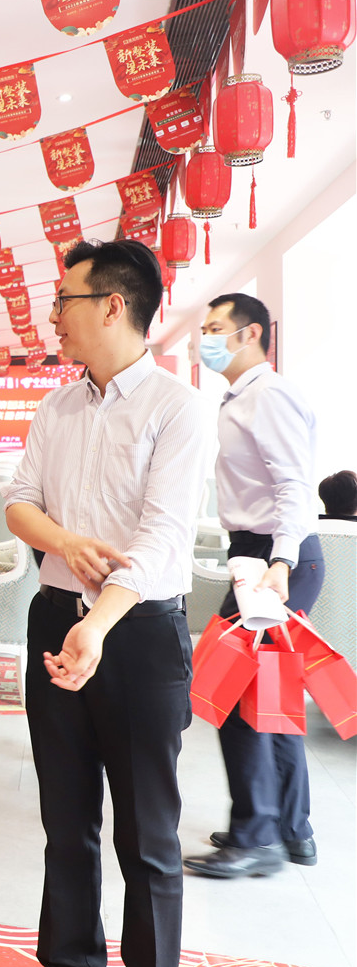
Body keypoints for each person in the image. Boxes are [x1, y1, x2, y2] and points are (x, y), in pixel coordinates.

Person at [2, 238, 213, 967]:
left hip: (138, 635)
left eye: (64, 301)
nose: (53, 316)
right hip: (55, 619)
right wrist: (64, 543)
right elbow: (19, 502)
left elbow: (163, 539)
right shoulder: (57, 406)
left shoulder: (177, 408)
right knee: (66, 822)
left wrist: (97, 624)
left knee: (147, 832)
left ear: (112, 306)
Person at [183, 293, 325, 880]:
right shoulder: (240, 398)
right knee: (269, 692)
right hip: (259, 555)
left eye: (216, 328)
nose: (206, 338)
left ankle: (256, 834)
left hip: (275, 560)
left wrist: (282, 562)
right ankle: (292, 829)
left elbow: (295, 486)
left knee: (238, 693)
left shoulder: (269, 395)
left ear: (250, 335)